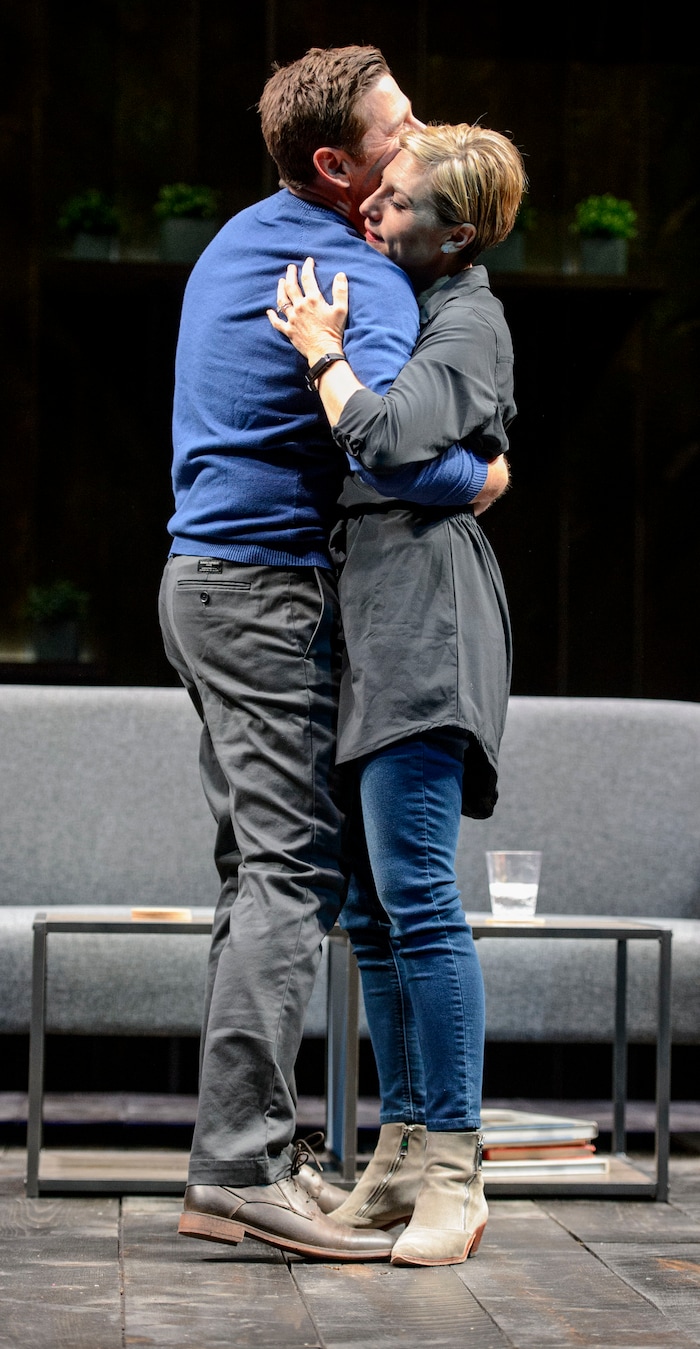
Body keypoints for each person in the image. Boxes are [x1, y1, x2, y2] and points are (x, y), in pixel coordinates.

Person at [158, 47, 500, 1263]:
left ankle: (254, 1151)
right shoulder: (361, 273)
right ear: (335, 164)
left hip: (198, 583)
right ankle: (241, 1164)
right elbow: (395, 452)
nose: (415, 138)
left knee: (256, 872)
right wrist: (484, 475)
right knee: (293, 875)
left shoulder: (240, 237)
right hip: (264, 590)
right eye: (394, 131)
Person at [267, 120, 525, 1265]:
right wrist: (476, 470)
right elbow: (429, 456)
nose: (374, 206)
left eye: (399, 200)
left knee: (417, 898)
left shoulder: (466, 319)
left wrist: (323, 352)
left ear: (455, 232)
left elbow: (376, 433)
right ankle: (401, 1153)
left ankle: (457, 1172)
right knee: (369, 914)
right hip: (377, 614)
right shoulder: (418, 302)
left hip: (428, 617)